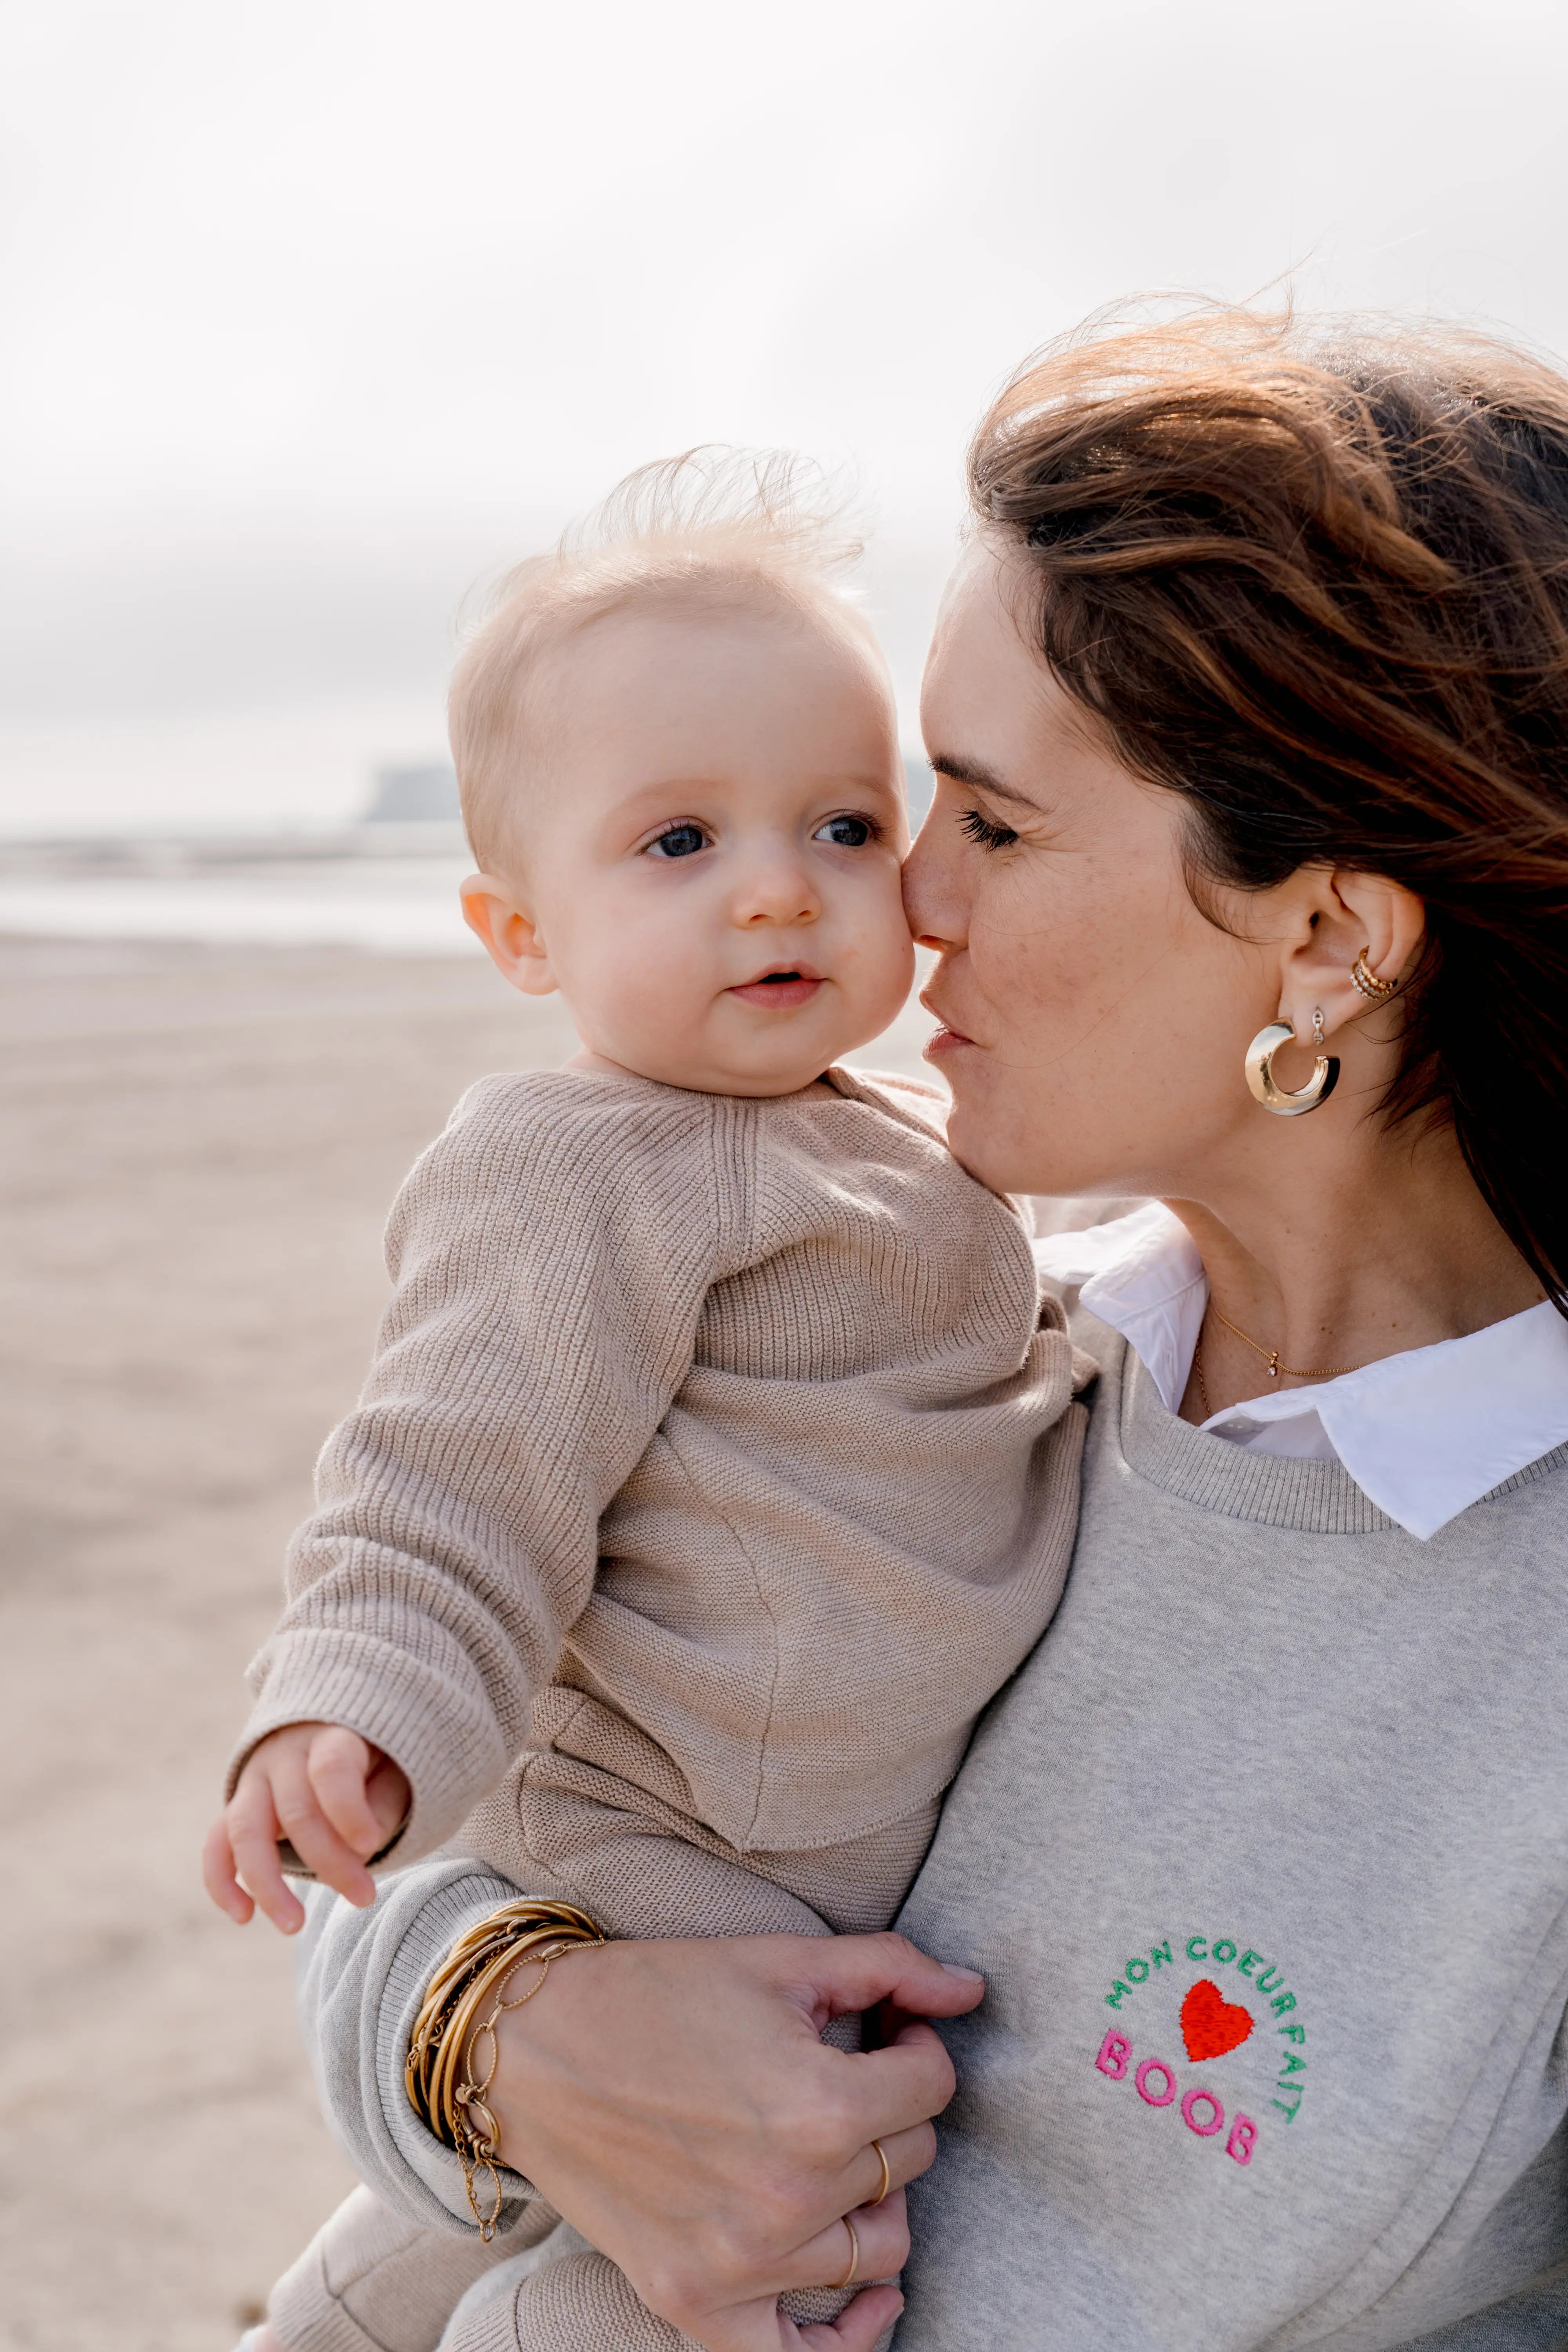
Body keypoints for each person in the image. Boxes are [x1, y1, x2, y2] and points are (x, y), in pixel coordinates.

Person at [263, 308, 1568, 2352]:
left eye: (982, 818)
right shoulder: (970, 1357)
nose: (905, 903)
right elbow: (425, 1809)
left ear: (1323, 943)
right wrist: (502, 2025)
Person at [210, 452, 1089, 2352]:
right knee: (651, 2300)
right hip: (655, 1865)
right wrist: (351, 1702)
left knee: (394, 2272)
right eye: (677, 843)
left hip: (807, 1868)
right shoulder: (577, 1163)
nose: (781, 885)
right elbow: (447, 1477)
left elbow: (1009, 1337)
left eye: (846, 826)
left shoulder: (912, 1146)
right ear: (521, 936)